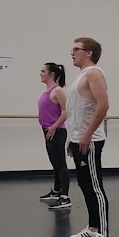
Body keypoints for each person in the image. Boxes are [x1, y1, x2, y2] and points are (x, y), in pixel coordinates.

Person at [65, 37, 113, 237]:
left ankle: (105, 236)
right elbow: (75, 110)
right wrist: (72, 137)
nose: (72, 53)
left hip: (90, 141)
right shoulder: (81, 76)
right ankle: (93, 228)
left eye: (76, 49)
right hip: (78, 139)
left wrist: (87, 134)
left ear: (89, 53)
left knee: (95, 187)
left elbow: (103, 105)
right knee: (84, 185)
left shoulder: (94, 73)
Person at [38, 62, 71, 210]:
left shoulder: (58, 91)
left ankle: (65, 197)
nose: (40, 74)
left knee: (61, 164)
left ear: (51, 74)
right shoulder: (48, 91)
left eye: (43, 71)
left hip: (57, 131)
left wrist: (54, 127)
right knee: (54, 163)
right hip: (48, 130)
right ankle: (57, 191)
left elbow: (66, 112)